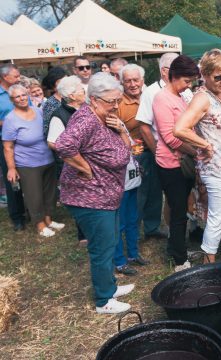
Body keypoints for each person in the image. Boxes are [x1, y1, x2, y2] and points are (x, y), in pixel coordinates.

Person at [56, 72, 134, 314]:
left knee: (109, 241)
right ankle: (103, 300)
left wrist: (121, 130)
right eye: (112, 101)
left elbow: (124, 151)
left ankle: (108, 286)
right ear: (95, 100)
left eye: (118, 100)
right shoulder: (86, 119)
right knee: (101, 247)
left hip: (106, 195)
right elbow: (63, 145)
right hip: (89, 197)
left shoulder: (105, 117)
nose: (117, 105)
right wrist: (85, 168)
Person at [174, 49, 221, 264]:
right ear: (204, 76)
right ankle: (209, 267)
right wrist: (204, 144)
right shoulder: (201, 99)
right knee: (217, 218)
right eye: (218, 77)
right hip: (217, 170)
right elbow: (179, 129)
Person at [153, 55, 200, 272]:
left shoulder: (179, 97)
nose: (188, 86)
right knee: (178, 211)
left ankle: (179, 248)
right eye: (186, 81)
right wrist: (196, 151)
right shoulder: (162, 98)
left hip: (184, 161)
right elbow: (170, 137)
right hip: (171, 164)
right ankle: (180, 260)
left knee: (183, 210)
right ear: (173, 76)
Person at [136, 53, 188, 240]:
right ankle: (173, 238)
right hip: (167, 154)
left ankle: (190, 230)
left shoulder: (185, 89)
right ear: (165, 71)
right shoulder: (151, 92)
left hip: (186, 155)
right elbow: (143, 125)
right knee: (172, 199)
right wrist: (158, 150)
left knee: (186, 196)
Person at [2, 84, 63, 237]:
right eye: (17, 96)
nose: (22, 98)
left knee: (50, 192)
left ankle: (48, 220)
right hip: (27, 164)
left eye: (24, 95)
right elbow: (8, 147)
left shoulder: (38, 111)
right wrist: (11, 168)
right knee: (34, 195)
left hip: (47, 159)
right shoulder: (10, 119)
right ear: (12, 100)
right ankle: (40, 224)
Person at [115, 63, 150, 275]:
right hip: (119, 167)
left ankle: (133, 253)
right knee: (120, 216)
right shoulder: (115, 107)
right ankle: (119, 260)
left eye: (135, 80)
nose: (132, 84)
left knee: (132, 212)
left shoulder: (148, 96)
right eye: (127, 81)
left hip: (134, 164)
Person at [46, 75, 87, 246]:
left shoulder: (86, 108)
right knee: (82, 199)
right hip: (73, 164)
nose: (84, 91)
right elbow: (52, 142)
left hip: (90, 160)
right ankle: (83, 235)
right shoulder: (59, 115)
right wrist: (73, 150)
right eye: (80, 89)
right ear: (71, 95)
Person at [0, 64, 26, 231]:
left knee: (27, 175)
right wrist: (11, 123)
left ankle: (30, 208)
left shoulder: (21, 91)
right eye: (16, 76)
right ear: (5, 77)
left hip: (24, 140)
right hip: (5, 141)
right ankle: (17, 216)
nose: (19, 78)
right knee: (12, 178)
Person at [42, 67, 67, 138]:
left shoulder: (70, 98)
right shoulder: (50, 104)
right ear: (54, 86)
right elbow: (47, 129)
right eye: (62, 81)